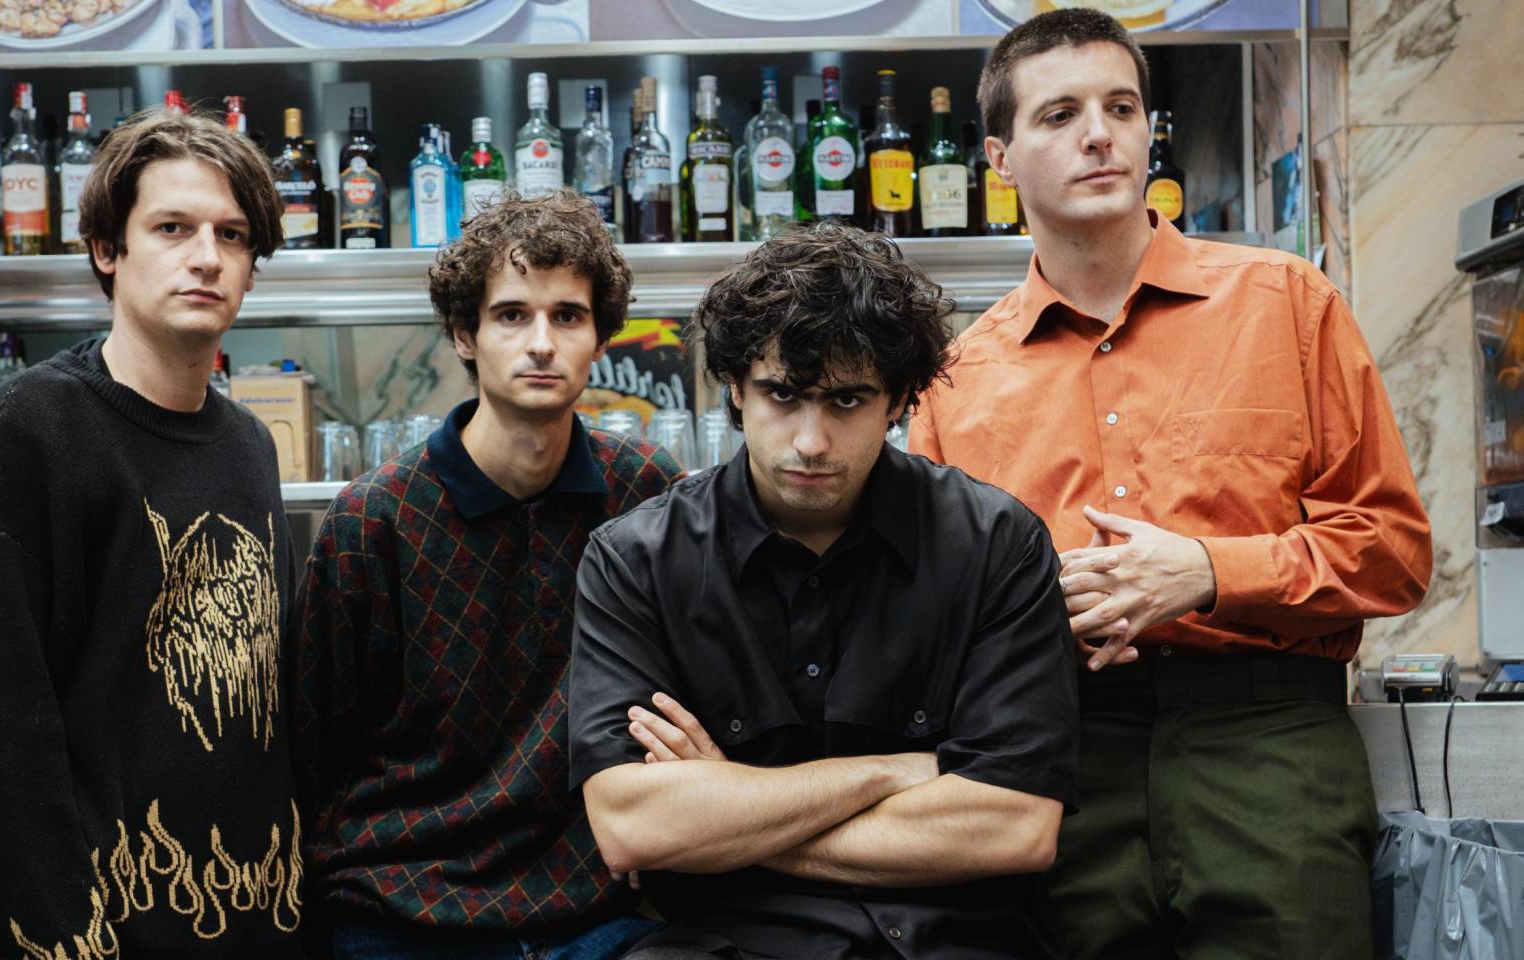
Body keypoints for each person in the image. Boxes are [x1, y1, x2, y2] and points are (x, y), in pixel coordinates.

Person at [909, 10, 1434, 959]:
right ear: (997, 158)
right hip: (1055, 758)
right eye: (1059, 114)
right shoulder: (954, 379)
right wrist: (1028, 619)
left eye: (1120, 106)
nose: (1099, 134)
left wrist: (1207, 571)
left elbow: (1394, 554)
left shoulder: (1287, 303)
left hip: (1269, 742)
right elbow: (922, 617)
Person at [568, 221, 1081, 960]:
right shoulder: (638, 560)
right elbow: (633, 828)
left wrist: (730, 811)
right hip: (725, 945)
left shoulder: (996, 545)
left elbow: (1015, 827)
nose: (811, 441)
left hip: (961, 942)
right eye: (783, 394)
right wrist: (893, 772)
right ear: (737, 390)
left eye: (845, 401)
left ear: (899, 400)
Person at [0, 108, 301, 958]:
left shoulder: (250, 447)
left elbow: (265, 715)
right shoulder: (28, 429)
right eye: (172, 227)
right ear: (105, 250)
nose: (206, 256)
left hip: (239, 919)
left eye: (232, 235)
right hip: (89, 937)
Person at [294, 190, 683, 960]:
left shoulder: (646, 490)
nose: (541, 343)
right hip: (404, 906)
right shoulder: (372, 520)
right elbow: (313, 753)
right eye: (511, 315)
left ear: (601, 338)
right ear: (463, 334)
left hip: (600, 910)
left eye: (567, 316)